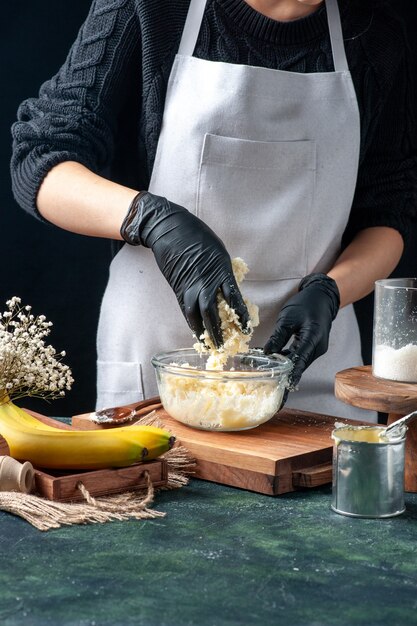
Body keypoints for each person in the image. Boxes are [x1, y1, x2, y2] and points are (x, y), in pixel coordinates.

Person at [11, 0, 416, 419]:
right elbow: (41, 160)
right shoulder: (152, 9)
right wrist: (153, 220)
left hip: (310, 370)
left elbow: (388, 212)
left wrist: (332, 293)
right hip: (162, 374)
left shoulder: (375, 31)